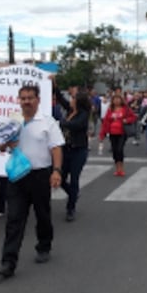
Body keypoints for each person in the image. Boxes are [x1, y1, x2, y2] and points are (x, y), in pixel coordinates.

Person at [0, 84, 65, 279]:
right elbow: (1, 147)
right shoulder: (12, 121)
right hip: (17, 177)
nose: (26, 101)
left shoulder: (47, 122)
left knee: (42, 214)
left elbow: (56, 148)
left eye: (30, 98)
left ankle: (44, 245)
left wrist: (56, 171)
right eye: (23, 98)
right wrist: (6, 143)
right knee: (14, 219)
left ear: (37, 100)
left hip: (40, 175)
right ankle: (8, 261)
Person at [58, 89, 91, 221]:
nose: (71, 100)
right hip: (66, 149)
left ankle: (70, 209)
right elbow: (60, 98)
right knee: (60, 177)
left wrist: (60, 123)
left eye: (73, 99)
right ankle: (73, 194)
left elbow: (76, 125)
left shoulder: (84, 114)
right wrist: (54, 85)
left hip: (79, 150)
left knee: (74, 178)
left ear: (78, 101)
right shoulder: (70, 111)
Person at [99, 93, 137, 176]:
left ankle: (121, 167)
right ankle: (117, 168)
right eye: (115, 99)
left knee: (120, 149)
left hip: (122, 133)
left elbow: (133, 117)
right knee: (115, 151)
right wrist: (102, 134)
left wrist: (126, 120)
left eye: (118, 99)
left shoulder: (125, 109)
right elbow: (105, 122)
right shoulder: (110, 110)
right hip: (112, 133)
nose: (116, 100)